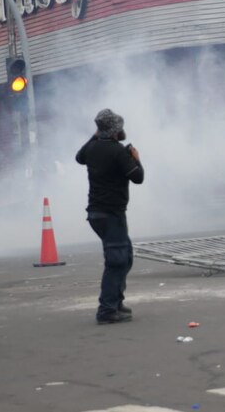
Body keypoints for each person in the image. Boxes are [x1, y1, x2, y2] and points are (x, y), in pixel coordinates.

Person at [76, 109, 144, 324]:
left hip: (98, 214)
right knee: (117, 261)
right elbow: (138, 177)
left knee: (125, 257)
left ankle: (115, 302)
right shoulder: (117, 151)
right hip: (111, 214)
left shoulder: (93, 148)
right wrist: (137, 159)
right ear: (115, 131)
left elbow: (79, 157)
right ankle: (107, 310)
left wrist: (96, 134)